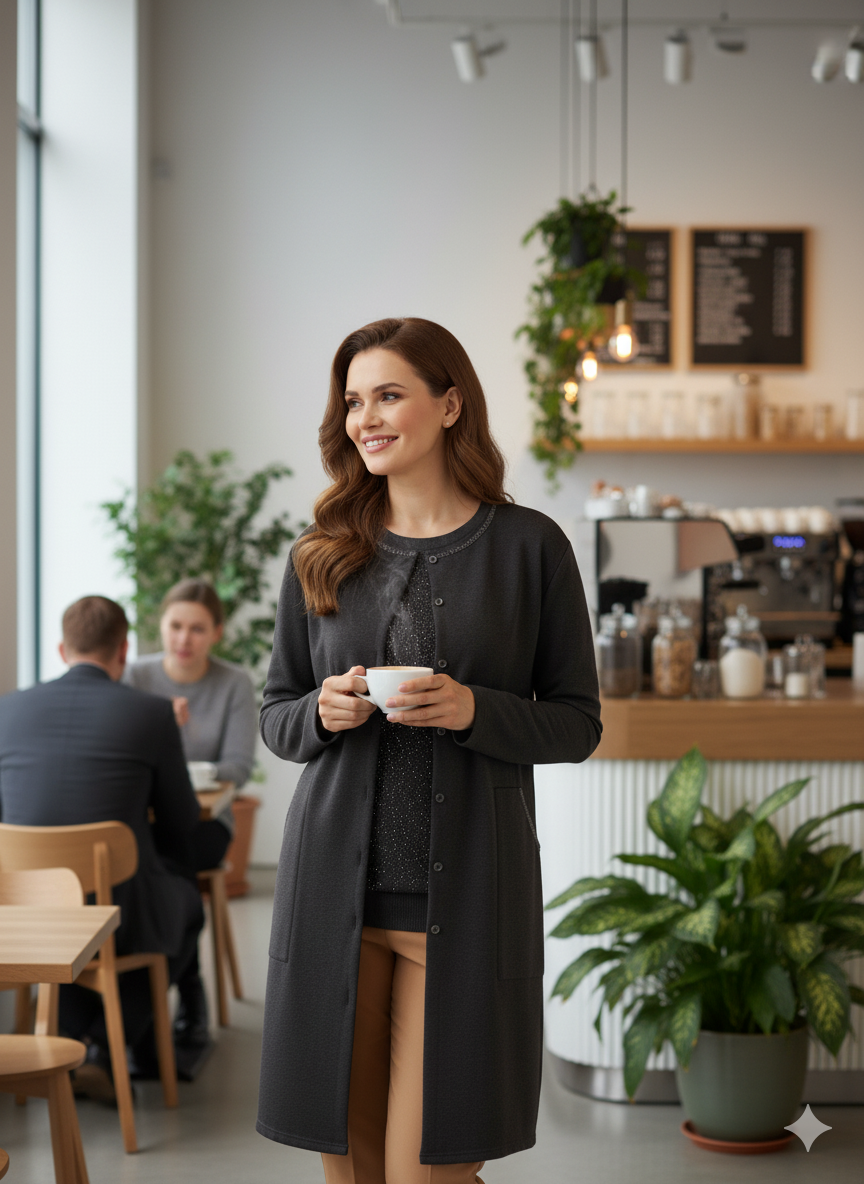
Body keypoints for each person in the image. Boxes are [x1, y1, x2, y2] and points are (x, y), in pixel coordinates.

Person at [256, 317, 602, 1183]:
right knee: (350, 1169)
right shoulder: (322, 554)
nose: (365, 418)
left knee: (431, 1171)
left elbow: (577, 721)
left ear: (450, 404)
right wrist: (322, 713)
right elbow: (276, 712)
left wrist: (471, 709)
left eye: (388, 395)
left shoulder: (531, 548)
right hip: (334, 900)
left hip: (465, 910)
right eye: (353, 402)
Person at [0, 595, 204, 1101]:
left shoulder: (7, 710)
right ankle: (99, 1048)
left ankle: (71, 1044)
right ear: (123, 650)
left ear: (61, 649)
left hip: (26, 910)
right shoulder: (152, 714)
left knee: (104, 916)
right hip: (116, 906)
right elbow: (182, 824)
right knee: (184, 907)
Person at [124, 578, 257, 1045]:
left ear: (216, 633)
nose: (184, 639)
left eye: (197, 629)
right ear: (160, 626)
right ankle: (184, 993)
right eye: (176, 626)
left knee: (169, 857)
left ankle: (167, 1001)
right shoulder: (135, 677)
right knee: (162, 863)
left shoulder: (233, 683)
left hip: (205, 824)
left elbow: (238, 768)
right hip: (146, 822)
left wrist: (172, 745)